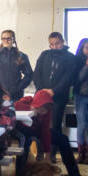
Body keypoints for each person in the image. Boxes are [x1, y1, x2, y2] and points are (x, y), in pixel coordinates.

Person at [14, 90, 88, 176]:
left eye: (46, 109)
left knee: (63, 139)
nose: (44, 112)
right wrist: (31, 108)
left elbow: (45, 131)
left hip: (36, 130)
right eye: (42, 108)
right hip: (22, 130)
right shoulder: (27, 100)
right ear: (37, 103)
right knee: (25, 142)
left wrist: (47, 153)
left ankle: (74, 174)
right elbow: (14, 106)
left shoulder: (47, 112)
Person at [33, 32, 78, 161]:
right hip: (41, 96)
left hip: (58, 96)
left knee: (54, 125)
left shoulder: (70, 58)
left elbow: (68, 77)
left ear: (62, 42)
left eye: (57, 43)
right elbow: (37, 73)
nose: (54, 46)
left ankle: (51, 154)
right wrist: (42, 90)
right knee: (39, 124)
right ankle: (40, 153)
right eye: (52, 44)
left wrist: (53, 91)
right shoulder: (44, 55)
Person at [0, 29, 33, 101]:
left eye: (9, 38)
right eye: (3, 38)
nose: (6, 41)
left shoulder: (21, 56)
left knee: (16, 112)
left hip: (16, 94)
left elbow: (29, 75)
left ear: (14, 40)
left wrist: (18, 87)